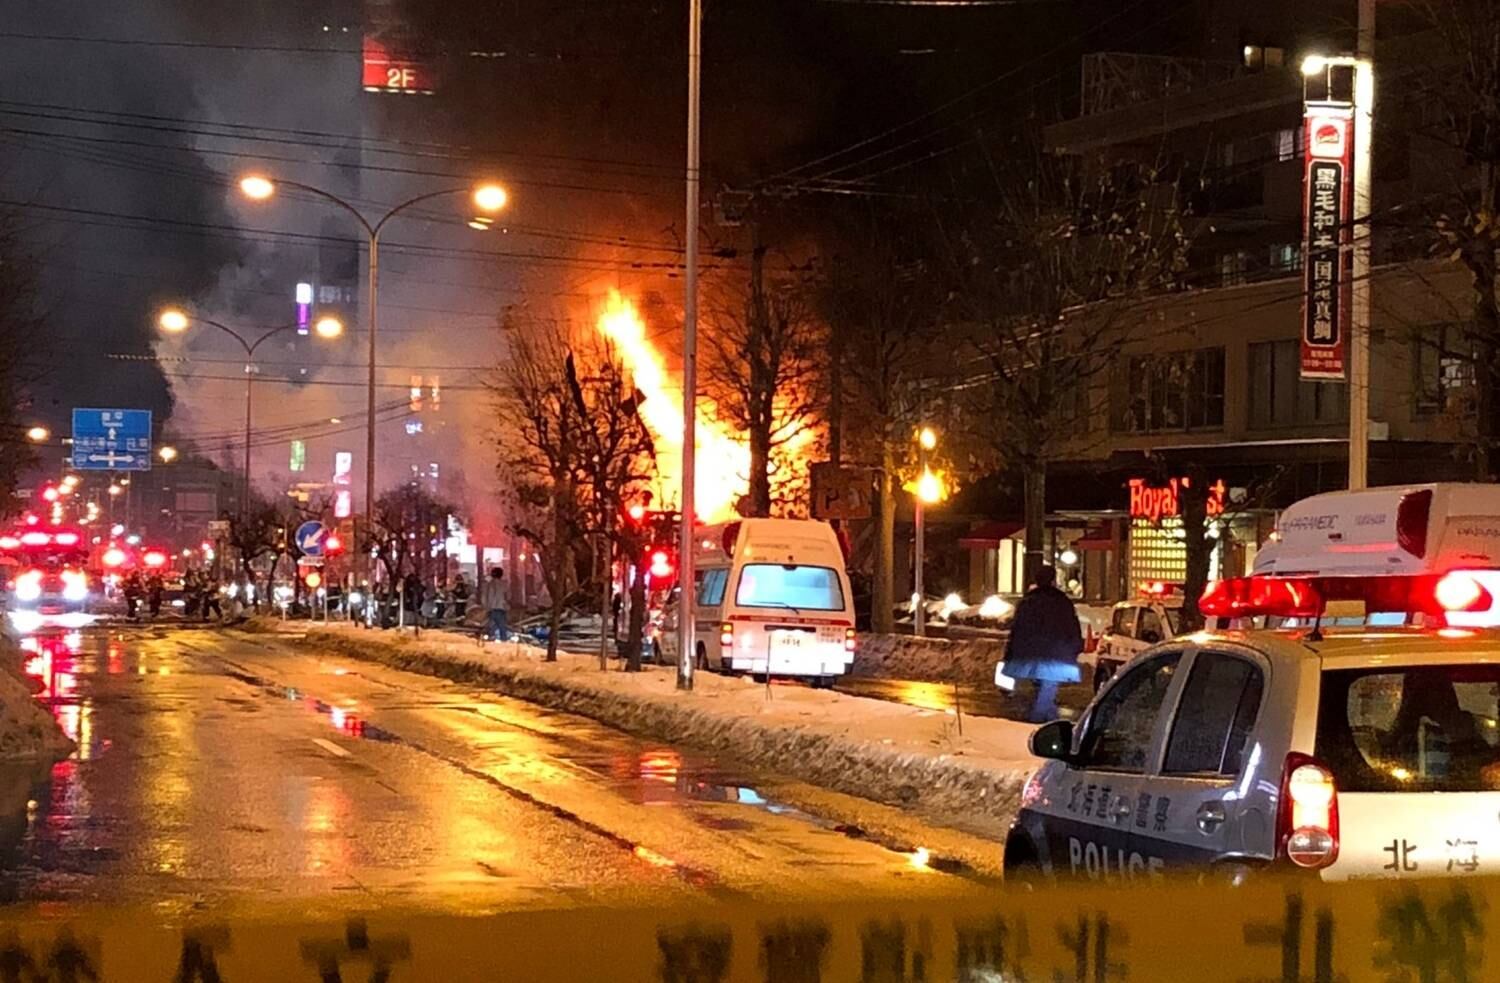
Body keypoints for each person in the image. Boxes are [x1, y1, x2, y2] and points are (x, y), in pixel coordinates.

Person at [1003, 565, 1083, 723]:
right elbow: (1072, 628)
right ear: (1054, 581)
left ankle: (1044, 722)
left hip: (1027, 654)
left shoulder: (1027, 602)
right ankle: (1040, 723)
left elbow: (1017, 630)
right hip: (1057, 655)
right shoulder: (1062, 602)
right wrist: (1075, 648)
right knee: (1048, 690)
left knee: (1029, 693)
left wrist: (1010, 653)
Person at [481, 567, 508, 641]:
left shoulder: (489, 585)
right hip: (501, 608)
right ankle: (504, 641)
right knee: (502, 627)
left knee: (492, 626)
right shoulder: (503, 584)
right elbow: (507, 596)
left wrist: (486, 607)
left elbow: (484, 597)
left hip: (491, 609)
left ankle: (491, 639)